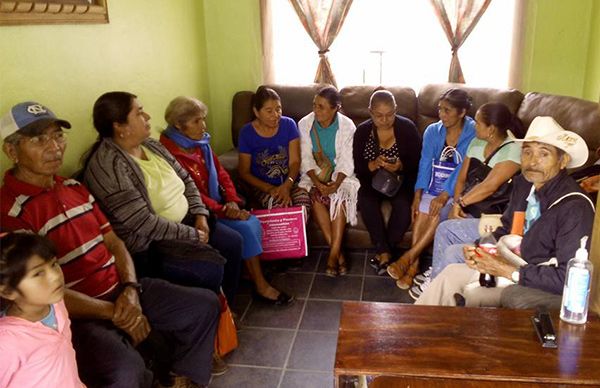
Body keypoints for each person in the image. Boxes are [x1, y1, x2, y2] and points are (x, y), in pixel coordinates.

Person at [0, 101, 220, 387]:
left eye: (57, 136)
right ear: (12, 151)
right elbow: (36, 287)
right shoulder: (10, 212)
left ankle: (182, 377)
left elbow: (113, 241)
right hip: (80, 313)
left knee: (204, 305)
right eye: (39, 139)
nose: (54, 147)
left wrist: (129, 289)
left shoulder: (73, 187)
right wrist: (114, 311)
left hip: (121, 290)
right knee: (124, 372)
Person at [82, 91, 242, 307]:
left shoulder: (152, 146)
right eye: (139, 113)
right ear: (120, 126)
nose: (147, 116)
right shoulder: (109, 167)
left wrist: (200, 214)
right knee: (209, 270)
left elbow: (186, 180)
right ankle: (210, 314)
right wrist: (193, 234)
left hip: (189, 221)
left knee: (233, 242)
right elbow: (143, 223)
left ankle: (225, 309)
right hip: (154, 243)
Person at [416, 116, 594, 309]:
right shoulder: (525, 184)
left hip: (532, 279)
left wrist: (509, 271)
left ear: (563, 161)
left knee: (475, 292)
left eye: (544, 154)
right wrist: (479, 248)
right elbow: (507, 227)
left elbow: (567, 277)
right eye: (527, 152)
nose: (533, 162)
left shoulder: (574, 208)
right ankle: (417, 331)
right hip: (511, 262)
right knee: (450, 274)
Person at [160, 96, 293, 305]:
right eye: (197, 121)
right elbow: (190, 192)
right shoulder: (168, 153)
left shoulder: (201, 143)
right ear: (178, 124)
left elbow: (222, 173)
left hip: (221, 203)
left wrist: (232, 199)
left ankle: (251, 270)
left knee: (251, 222)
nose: (203, 125)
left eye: (203, 119)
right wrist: (223, 209)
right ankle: (260, 286)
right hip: (198, 212)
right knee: (247, 228)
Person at [408, 102, 524, 300]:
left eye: (478, 123)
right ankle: (439, 268)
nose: (474, 126)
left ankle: (434, 280)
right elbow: (461, 178)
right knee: (442, 214)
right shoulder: (477, 143)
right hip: (470, 205)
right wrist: (454, 205)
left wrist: (460, 204)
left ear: (491, 129)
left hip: (492, 216)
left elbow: (489, 186)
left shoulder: (513, 150)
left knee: (446, 227)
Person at [387, 88, 476, 289]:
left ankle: (408, 260)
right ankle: (414, 265)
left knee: (437, 212)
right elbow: (425, 162)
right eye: (439, 109)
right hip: (433, 186)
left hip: (458, 190)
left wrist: (445, 195)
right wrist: (417, 194)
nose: (441, 115)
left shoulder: (473, 132)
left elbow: (463, 169)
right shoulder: (431, 131)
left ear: (462, 113)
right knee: (421, 212)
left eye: (447, 110)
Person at [0, 233, 84, 388]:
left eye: (53, 264)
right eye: (38, 273)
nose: (55, 276)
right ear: (8, 291)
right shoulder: (7, 343)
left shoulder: (56, 304)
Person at [352, 90, 421, 275]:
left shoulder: (407, 128)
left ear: (396, 109)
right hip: (372, 181)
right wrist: (372, 165)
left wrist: (400, 165)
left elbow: (418, 161)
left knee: (403, 206)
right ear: (370, 112)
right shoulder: (363, 131)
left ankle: (384, 251)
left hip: (400, 181)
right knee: (366, 201)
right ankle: (385, 252)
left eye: (390, 114)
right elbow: (357, 165)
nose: (385, 120)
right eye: (379, 115)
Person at [297, 85, 360, 277]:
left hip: (342, 178)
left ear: (336, 108)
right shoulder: (305, 124)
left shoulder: (348, 126)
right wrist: (318, 184)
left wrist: (335, 185)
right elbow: (306, 158)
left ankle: (332, 255)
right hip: (314, 176)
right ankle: (338, 256)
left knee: (339, 199)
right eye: (314, 105)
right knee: (315, 199)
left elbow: (346, 161)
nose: (316, 110)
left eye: (321, 107)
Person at [238, 86, 311, 211]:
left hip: (291, 182)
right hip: (264, 187)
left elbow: (295, 161)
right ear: (256, 112)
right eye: (269, 111)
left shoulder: (289, 125)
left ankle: (299, 231)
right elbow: (244, 172)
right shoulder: (246, 133)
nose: (276, 115)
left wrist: (287, 185)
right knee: (279, 208)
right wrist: (269, 189)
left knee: (302, 207)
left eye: (278, 109)